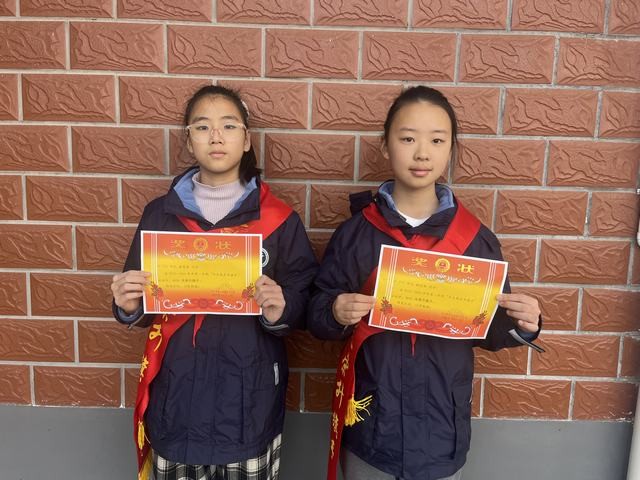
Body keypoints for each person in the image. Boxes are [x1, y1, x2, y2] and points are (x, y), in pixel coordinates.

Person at [308, 86, 543, 480]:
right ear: (385, 146)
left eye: (437, 140)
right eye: (408, 139)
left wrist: (524, 323)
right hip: (371, 426)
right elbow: (316, 312)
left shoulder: (474, 239)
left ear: (451, 149)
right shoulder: (357, 234)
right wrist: (334, 310)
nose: (422, 153)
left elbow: (489, 328)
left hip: (441, 431)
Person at [110, 85, 318, 480]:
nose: (216, 136)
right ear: (189, 141)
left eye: (229, 126)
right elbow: (139, 298)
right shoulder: (160, 216)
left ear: (247, 140)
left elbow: (306, 300)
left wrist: (282, 307)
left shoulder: (278, 220)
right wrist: (129, 305)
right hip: (177, 399)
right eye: (203, 127)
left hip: (248, 400)